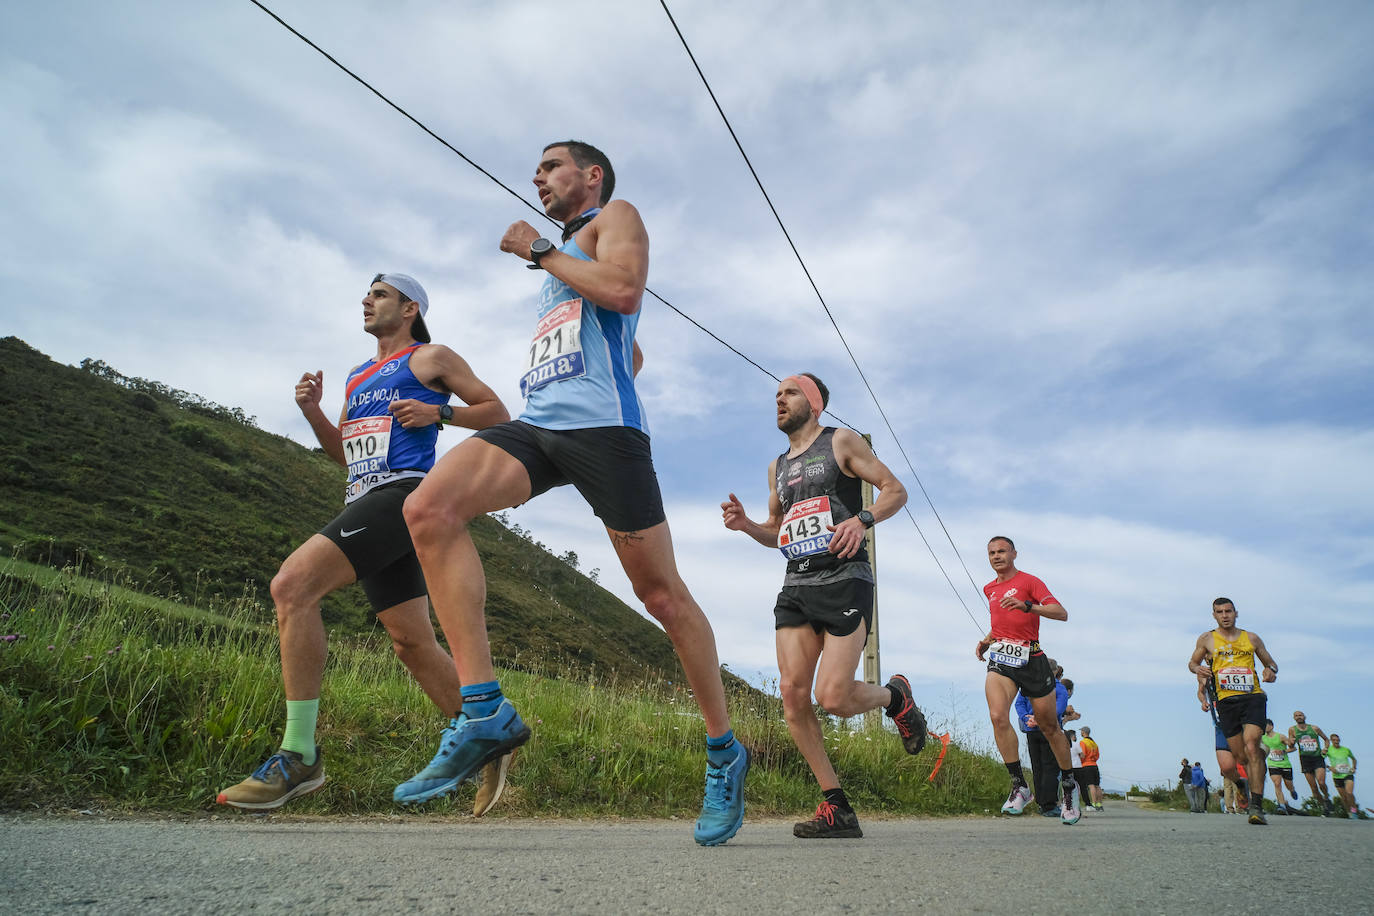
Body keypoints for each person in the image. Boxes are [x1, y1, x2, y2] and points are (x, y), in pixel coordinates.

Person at [402, 141, 748, 845]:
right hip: (539, 427)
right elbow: (626, 338)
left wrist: (537, 250)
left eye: (550, 165)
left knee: (661, 597)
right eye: (536, 170)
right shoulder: (562, 263)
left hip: (606, 434)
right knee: (428, 509)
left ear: (589, 176)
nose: (536, 176)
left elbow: (624, 292)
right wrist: (600, 341)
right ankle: (483, 709)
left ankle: (723, 751)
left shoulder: (614, 215)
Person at [218, 273, 511, 812]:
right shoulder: (357, 378)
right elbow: (347, 458)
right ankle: (483, 735)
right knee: (410, 643)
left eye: (378, 294)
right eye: (366, 294)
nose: (366, 301)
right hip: (363, 499)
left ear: (409, 308)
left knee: (292, 586)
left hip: (406, 494)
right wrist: (313, 413)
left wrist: (439, 412)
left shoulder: (431, 358)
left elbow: (496, 412)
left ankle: (298, 754)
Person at [719, 374, 924, 838]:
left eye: (789, 393)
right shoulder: (777, 467)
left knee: (832, 698)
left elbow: (895, 490)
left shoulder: (841, 441)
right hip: (797, 586)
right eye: (775, 394)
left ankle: (895, 697)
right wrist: (748, 526)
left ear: (813, 402)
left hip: (845, 580)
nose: (779, 399)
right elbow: (778, 531)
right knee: (793, 695)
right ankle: (838, 807)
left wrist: (863, 518)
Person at [976, 536, 1081, 825]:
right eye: (992, 553)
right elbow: (1000, 623)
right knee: (998, 716)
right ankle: (1019, 785)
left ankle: (1069, 790)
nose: (997, 556)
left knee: (1049, 727)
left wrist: (1029, 607)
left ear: (1014, 554)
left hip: (1032, 659)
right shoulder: (990, 589)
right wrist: (987, 640)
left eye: (1002, 551)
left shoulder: (1030, 582)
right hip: (1001, 660)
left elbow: (1061, 613)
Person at [1188, 597, 1279, 825]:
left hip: (1252, 697)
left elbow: (1272, 663)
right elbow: (1192, 663)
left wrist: (1270, 671)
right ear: (1214, 615)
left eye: (1229, 611)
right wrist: (1197, 668)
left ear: (1236, 613)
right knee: (1239, 756)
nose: (1225, 615)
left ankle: (1256, 806)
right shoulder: (1207, 639)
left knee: (1252, 746)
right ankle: (1244, 785)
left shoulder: (1252, 638)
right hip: (1226, 703)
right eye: (1220, 612)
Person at [1014, 665, 1070, 817]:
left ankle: (1041, 802)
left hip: (1031, 731)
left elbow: (1019, 703)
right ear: (1056, 671)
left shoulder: (1028, 684)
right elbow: (1059, 708)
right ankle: (1049, 805)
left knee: (1037, 767)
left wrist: (1026, 718)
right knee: (1050, 768)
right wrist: (1041, 719)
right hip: (1049, 731)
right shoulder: (1059, 688)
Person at [1199, 676, 1248, 814]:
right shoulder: (1204, 673)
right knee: (1226, 768)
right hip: (1221, 725)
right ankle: (1241, 785)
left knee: (1247, 760)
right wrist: (1203, 701)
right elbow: (1200, 691)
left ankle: (1256, 802)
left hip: (1243, 722)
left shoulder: (1234, 663)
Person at [1289, 710, 1334, 814]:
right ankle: (1324, 808)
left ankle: (1327, 798)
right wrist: (1291, 743)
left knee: (1321, 782)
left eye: (1300, 715)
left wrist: (1325, 749)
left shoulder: (1314, 728)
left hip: (1317, 758)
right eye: (1296, 716)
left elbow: (1326, 739)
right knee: (1314, 788)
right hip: (1305, 759)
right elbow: (1291, 745)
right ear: (1294, 718)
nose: (1298, 717)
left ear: (1304, 716)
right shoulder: (1292, 730)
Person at [1260, 719, 1300, 814]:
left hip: (1285, 764)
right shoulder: (1263, 738)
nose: (1264, 727)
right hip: (1273, 764)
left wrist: (1283, 751)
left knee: (1288, 785)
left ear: (1271, 726)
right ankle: (1282, 806)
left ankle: (1292, 790)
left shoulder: (1280, 736)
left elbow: (1293, 747)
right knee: (1277, 784)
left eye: (1266, 725)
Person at [1325, 734, 1362, 818]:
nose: (1336, 742)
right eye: (1334, 740)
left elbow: (1354, 759)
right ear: (1331, 741)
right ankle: (1349, 813)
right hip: (1337, 776)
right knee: (1344, 797)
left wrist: (1354, 768)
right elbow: (1321, 760)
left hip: (1348, 774)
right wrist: (1329, 767)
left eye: (1338, 740)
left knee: (1349, 793)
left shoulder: (1346, 750)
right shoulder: (1328, 750)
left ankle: (1354, 811)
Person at [1078, 726, 1104, 811]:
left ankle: (1093, 803)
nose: (1080, 732)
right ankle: (1099, 804)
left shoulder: (1083, 742)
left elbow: (1083, 755)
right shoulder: (1094, 743)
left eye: (1081, 731)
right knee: (1097, 786)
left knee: (1091, 785)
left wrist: (1080, 762)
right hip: (1094, 765)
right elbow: (1097, 756)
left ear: (1083, 732)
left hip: (1086, 765)